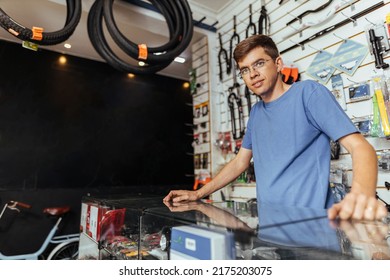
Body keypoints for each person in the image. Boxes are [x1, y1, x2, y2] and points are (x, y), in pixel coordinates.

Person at [164, 34, 388, 221]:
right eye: (245, 70)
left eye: (259, 63)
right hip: (270, 232)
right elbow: (240, 162)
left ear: (278, 63)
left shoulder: (308, 93)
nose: (252, 74)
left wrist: (362, 195)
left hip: (312, 231)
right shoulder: (256, 113)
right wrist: (198, 194)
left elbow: (361, 148)